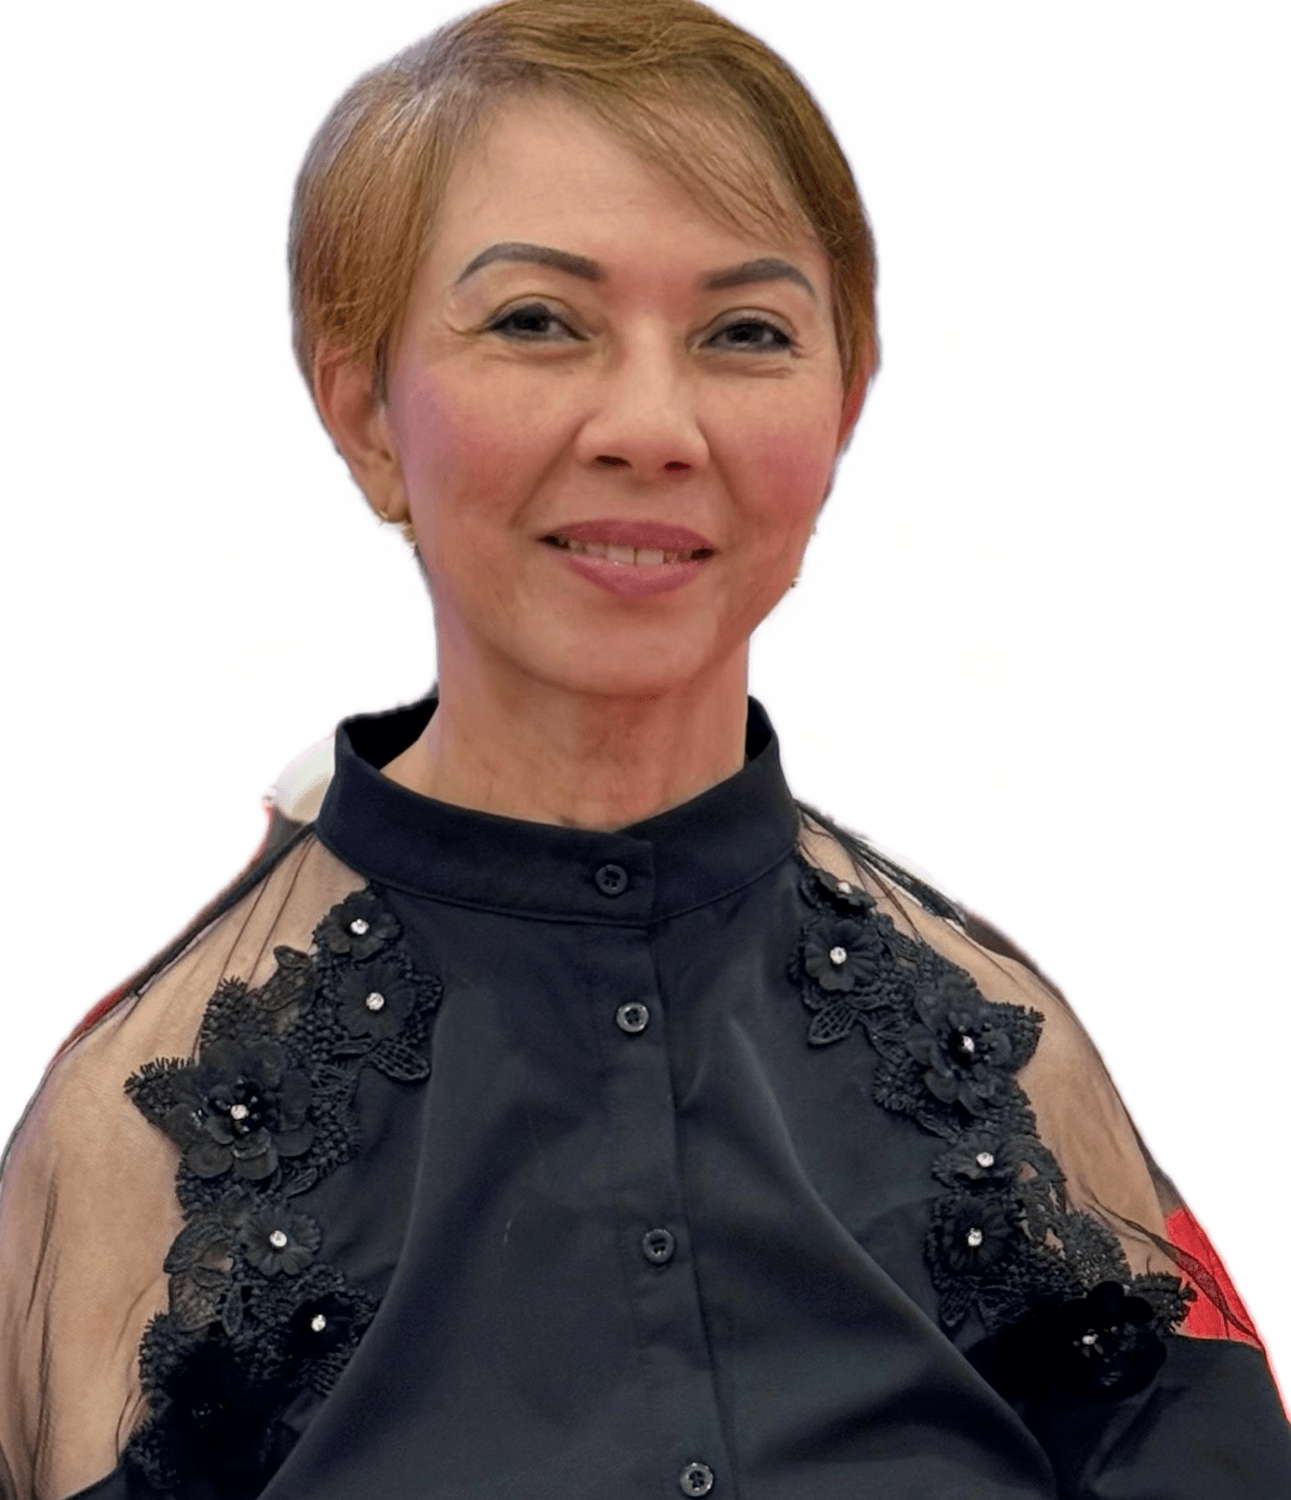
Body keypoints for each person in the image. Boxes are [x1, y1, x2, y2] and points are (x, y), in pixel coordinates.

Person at [1, 1, 1287, 1496]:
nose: (652, 425)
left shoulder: (1001, 1066)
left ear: (844, 406)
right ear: (364, 413)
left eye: (746, 333)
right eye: (537, 320)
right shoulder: (142, 1136)